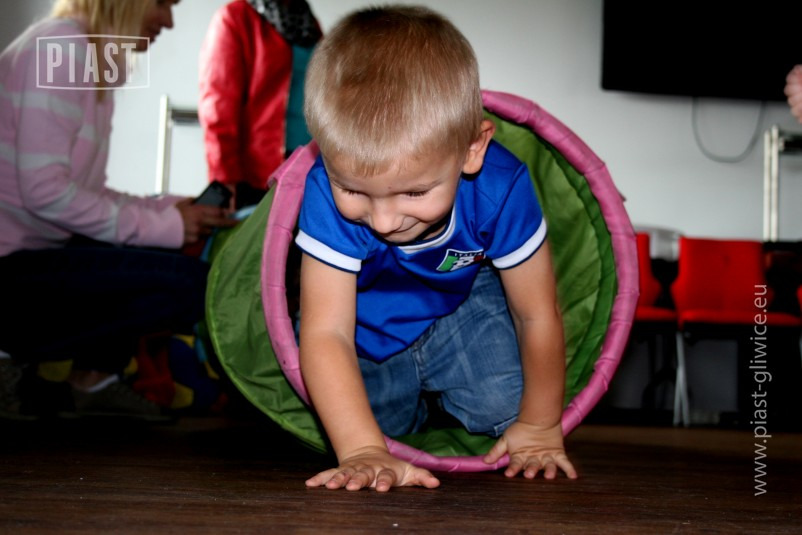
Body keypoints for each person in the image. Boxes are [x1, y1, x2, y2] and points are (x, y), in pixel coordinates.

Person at [295, 5, 578, 492]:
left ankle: (450, 399)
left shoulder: (501, 187)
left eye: (414, 192)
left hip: (459, 307)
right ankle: (421, 409)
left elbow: (536, 313)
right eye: (354, 189)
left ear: (472, 149)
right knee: (365, 424)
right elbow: (326, 332)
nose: (384, 221)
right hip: (365, 329)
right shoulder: (322, 189)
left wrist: (539, 425)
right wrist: (362, 449)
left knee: (510, 405)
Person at [0, 0, 236, 420]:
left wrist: (169, 208)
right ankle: (19, 364)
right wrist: (164, 226)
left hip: (31, 255)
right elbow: (46, 193)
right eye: (162, 3)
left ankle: (90, 380)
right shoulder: (62, 47)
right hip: (12, 268)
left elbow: (83, 192)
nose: (168, 21)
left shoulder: (88, 55)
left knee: (171, 260)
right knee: (193, 283)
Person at [198, 0, 322, 209]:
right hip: (256, 175)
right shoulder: (235, 17)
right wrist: (224, 179)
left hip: (308, 167)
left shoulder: (309, 23)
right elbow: (219, 110)